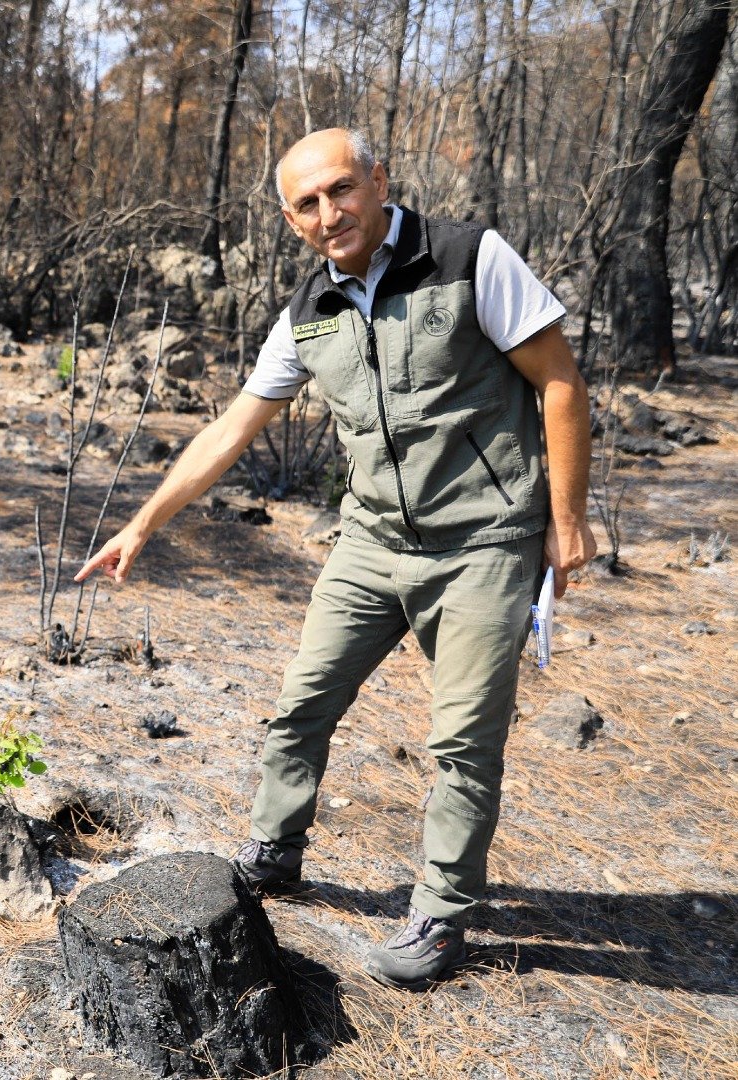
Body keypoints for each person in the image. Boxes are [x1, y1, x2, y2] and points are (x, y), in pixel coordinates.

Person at [75, 128, 596, 990]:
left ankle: (439, 914)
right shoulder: (306, 312)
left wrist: (566, 521)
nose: (330, 213)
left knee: (463, 740)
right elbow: (234, 428)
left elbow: (561, 382)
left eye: (342, 190)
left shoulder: (469, 257)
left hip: (483, 541)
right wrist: (143, 525)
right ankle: (275, 850)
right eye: (308, 204)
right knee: (301, 701)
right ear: (290, 218)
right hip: (372, 541)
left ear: (378, 181)